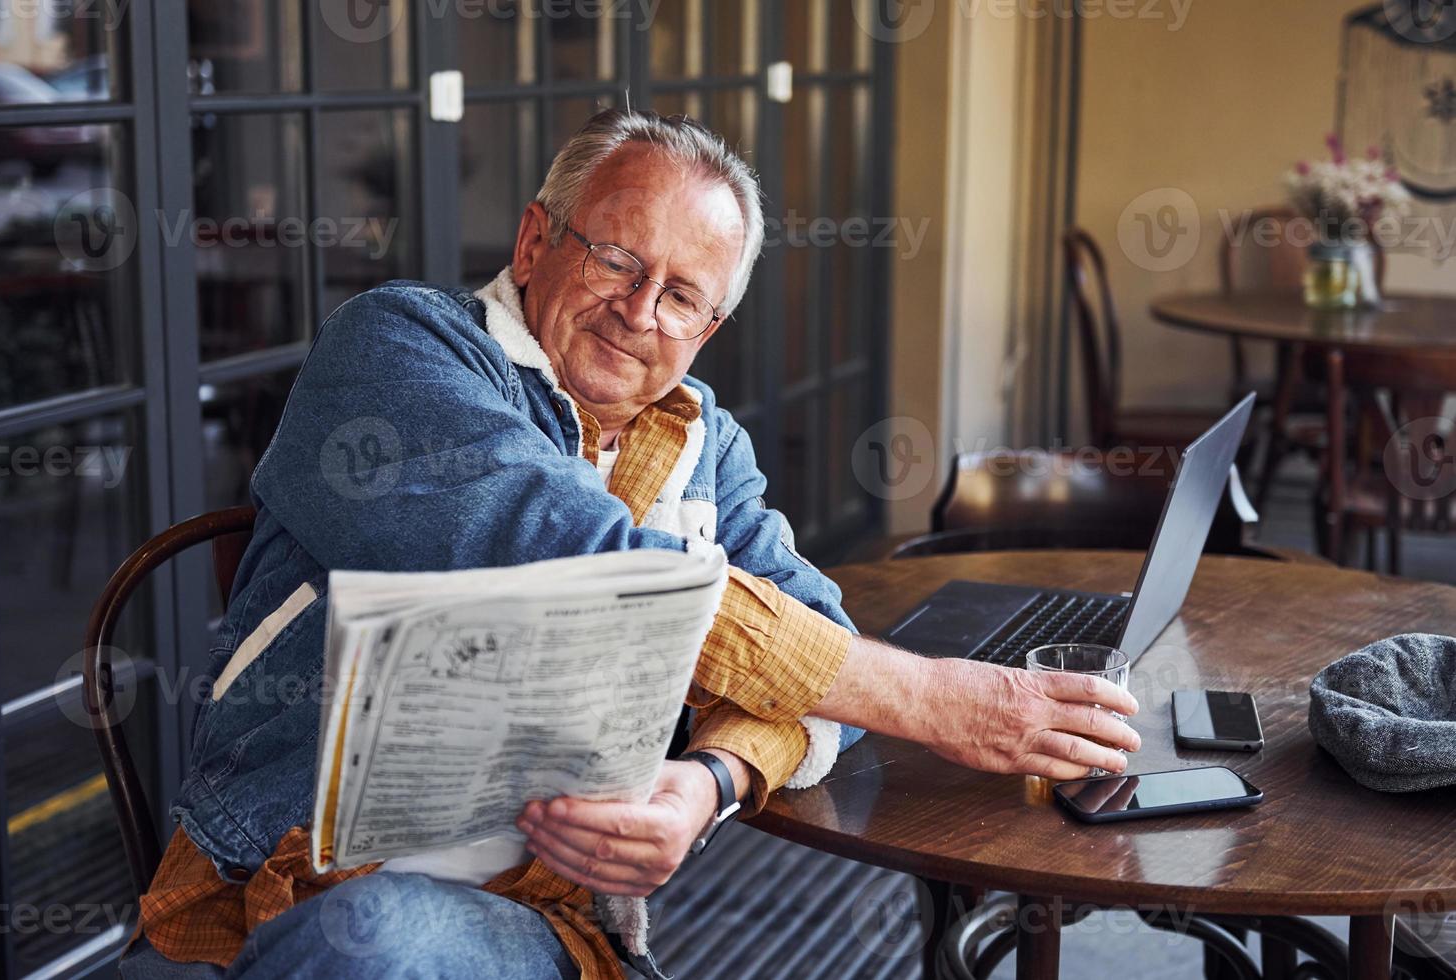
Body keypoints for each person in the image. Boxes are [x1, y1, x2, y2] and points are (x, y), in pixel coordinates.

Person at [120, 109, 1138, 980]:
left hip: (539, 919)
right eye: (615, 257)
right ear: (533, 243)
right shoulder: (398, 346)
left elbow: (818, 642)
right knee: (365, 936)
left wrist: (707, 787)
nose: (640, 311)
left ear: (708, 327)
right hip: (295, 880)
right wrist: (935, 700)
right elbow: (584, 559)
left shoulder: (709, 447)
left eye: (684, 295)